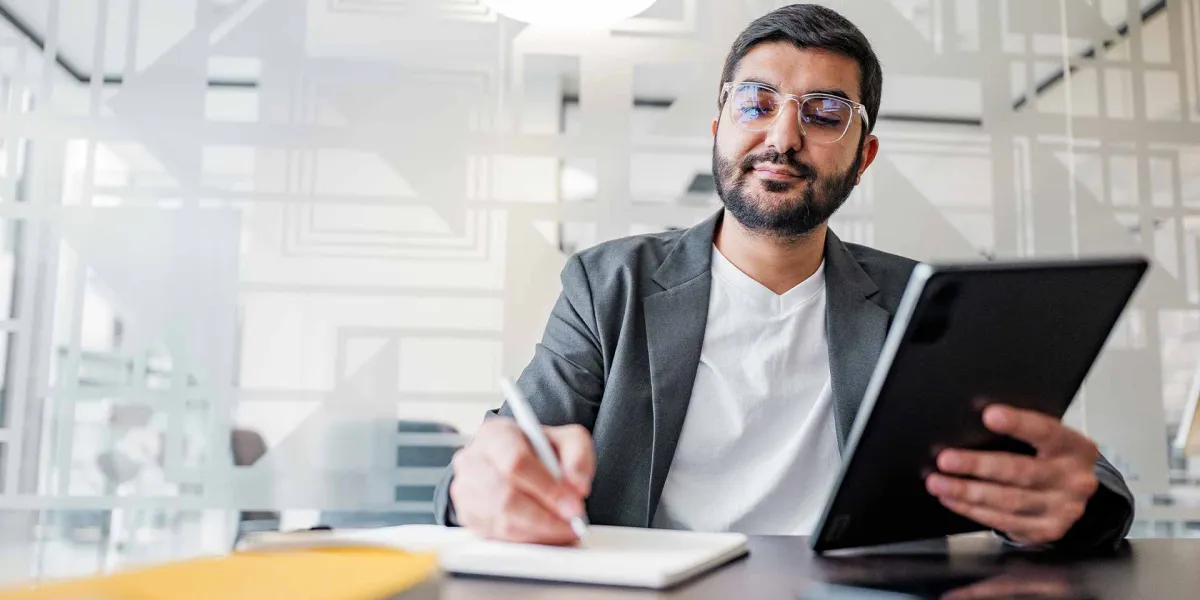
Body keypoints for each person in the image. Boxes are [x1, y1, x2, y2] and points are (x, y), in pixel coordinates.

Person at [434, 3, 1133, 550]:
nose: (782, 138)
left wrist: (1072, 503)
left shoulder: (920, 303)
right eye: (757, 103)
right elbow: (504, 456)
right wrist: (481, 487)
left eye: (825, 114)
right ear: (717, 128)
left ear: (864, 156)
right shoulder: (609, 283)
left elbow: (1064, 472)